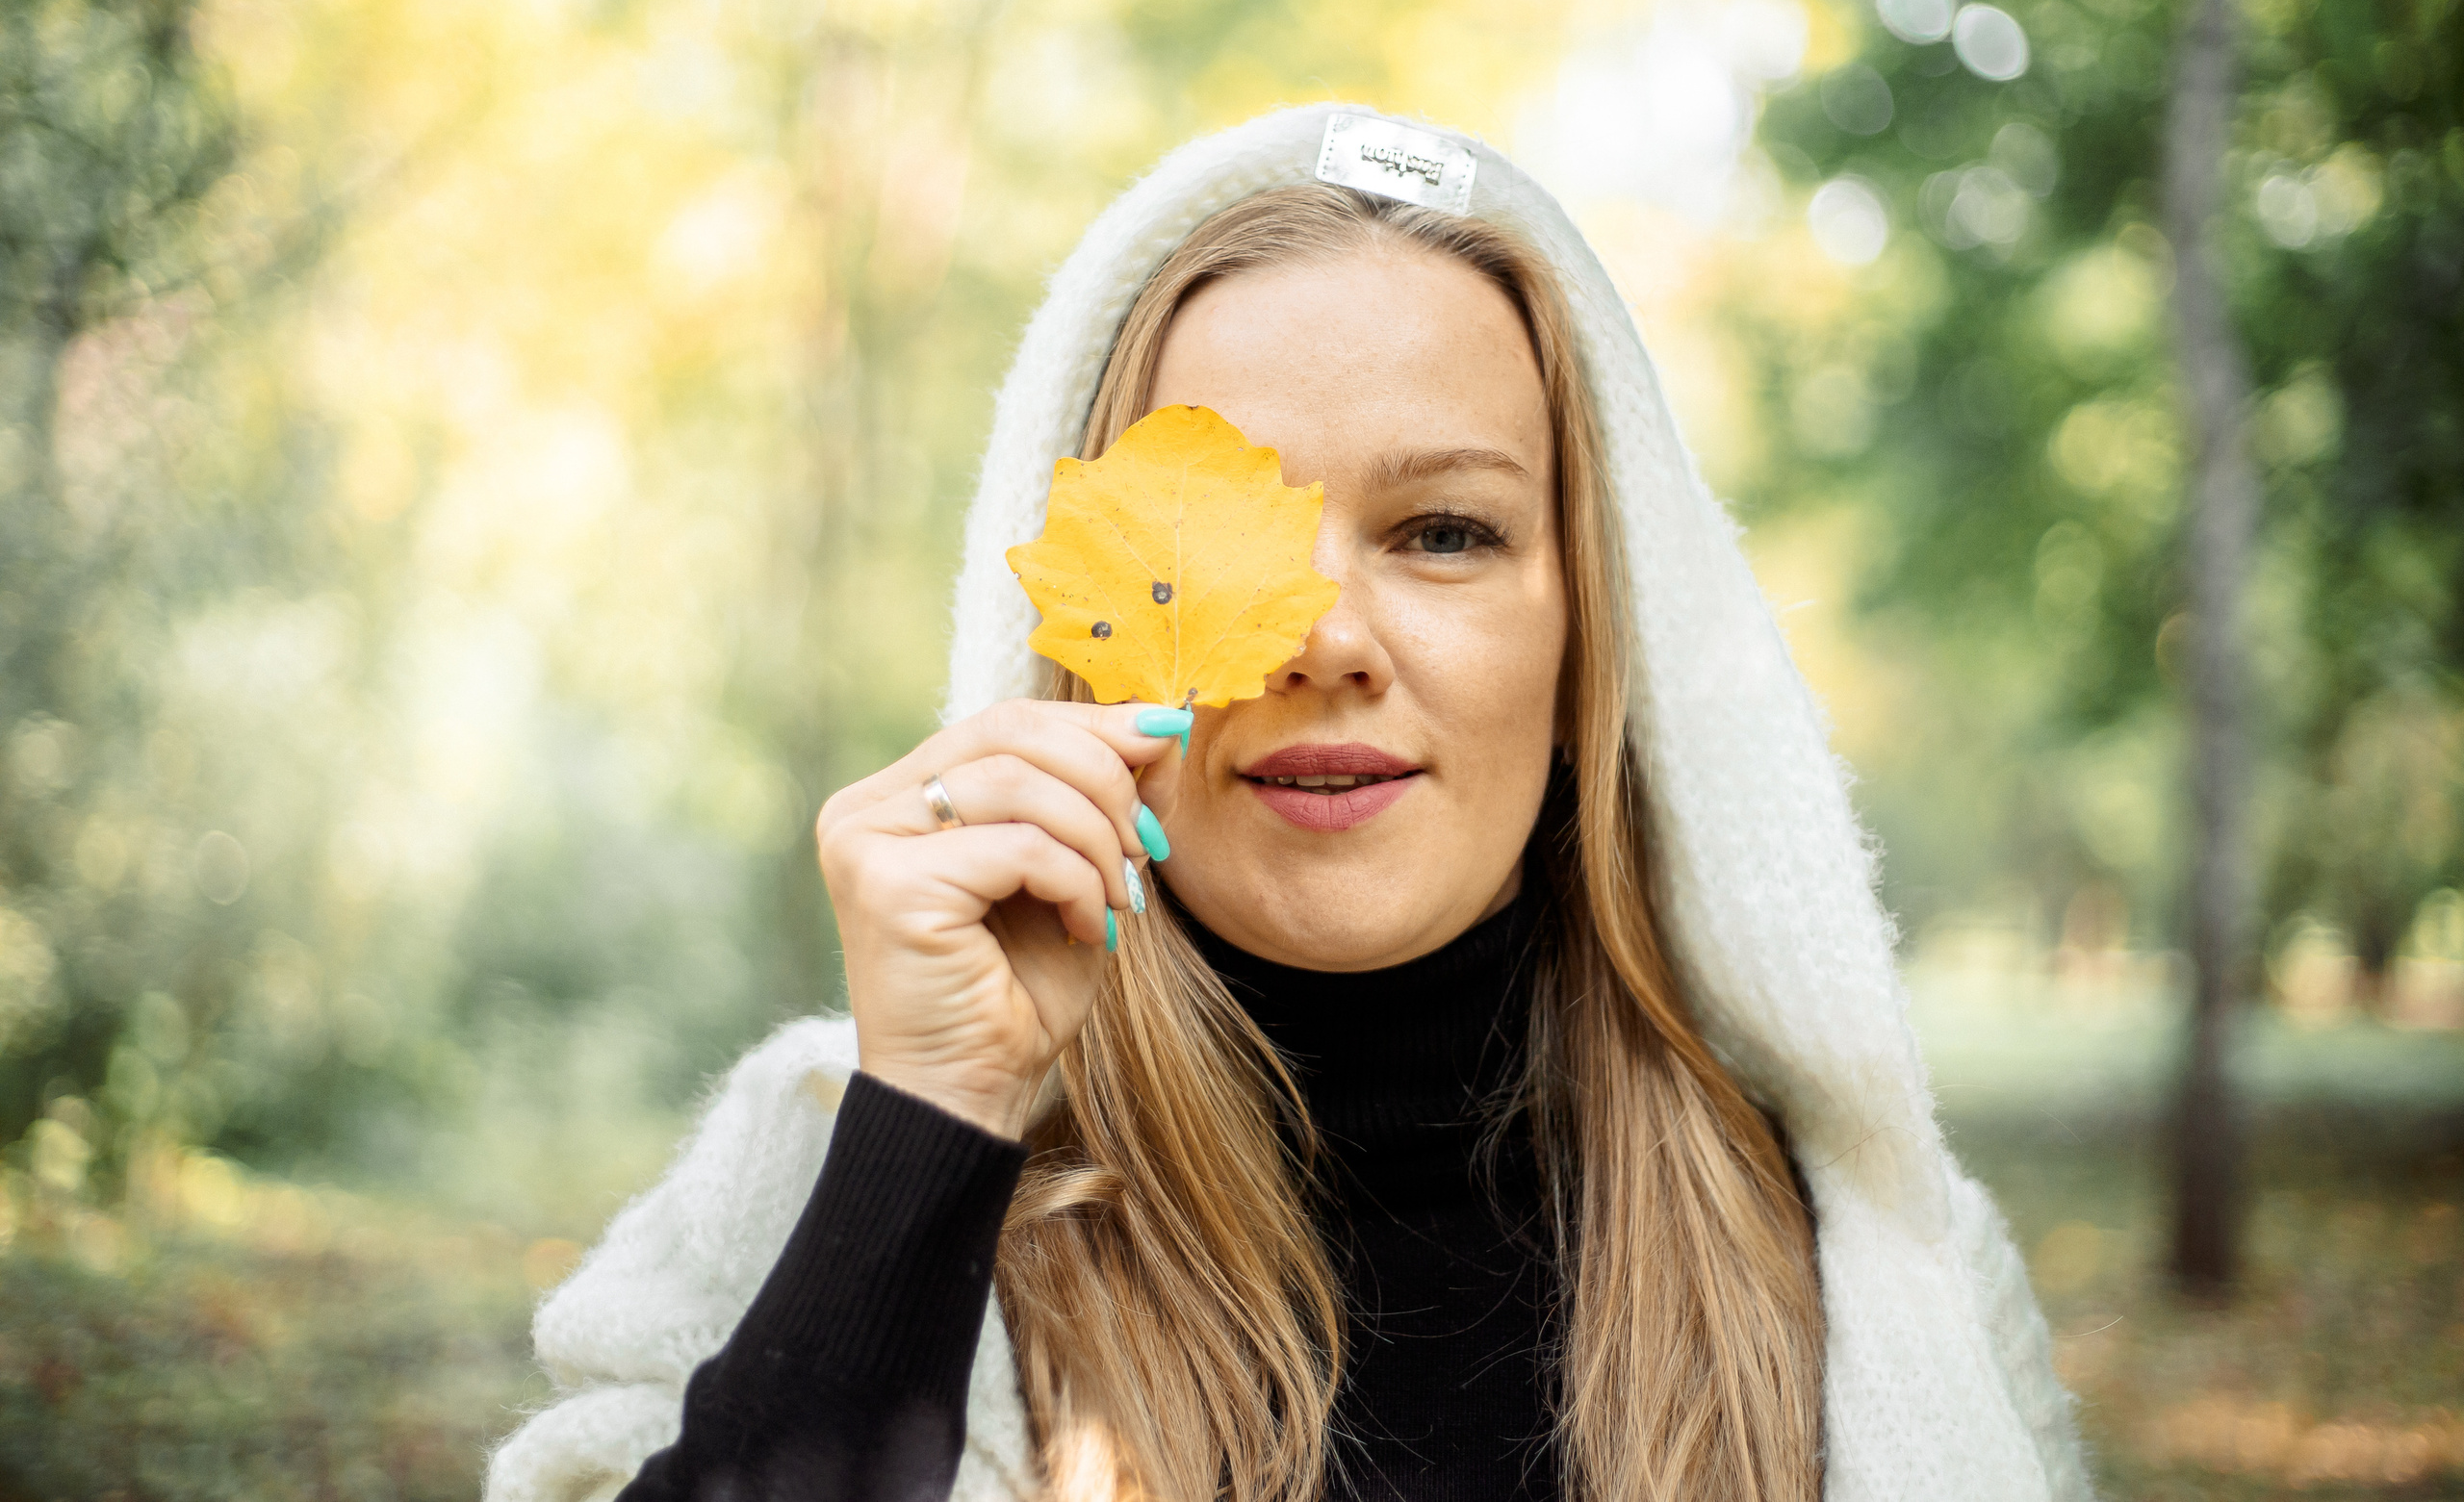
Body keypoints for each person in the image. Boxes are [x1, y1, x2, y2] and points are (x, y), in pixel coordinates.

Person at [485, 106, 2092, 1502]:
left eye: (1445, 532)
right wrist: (933, 1133)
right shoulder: (838, 1165)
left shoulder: (1877, 1269)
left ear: (1596, 634)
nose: (1323, 639)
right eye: (1214, 536)